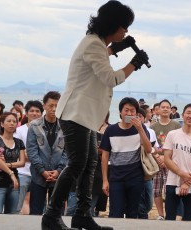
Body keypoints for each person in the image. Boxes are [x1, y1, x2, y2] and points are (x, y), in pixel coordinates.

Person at [42, 1, 149, 229]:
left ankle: (81, 214)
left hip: (85, 116)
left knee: (89, 163)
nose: (126, 32)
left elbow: (100, 57)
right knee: (77, 163)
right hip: (75, 114)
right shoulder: (92, 44)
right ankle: (51, 216)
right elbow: (110, 78)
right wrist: (134, 63)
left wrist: (115, 49)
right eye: (124, 27)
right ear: (113, 25)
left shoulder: (97, 44)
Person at [100, 97, 152, 218]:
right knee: (115, 213)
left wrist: (140, 129)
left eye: (132, 111)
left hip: (136, 177)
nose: (129, 113)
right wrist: (105, 180)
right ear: (120, 112)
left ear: (136, 113)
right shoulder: (111, 130)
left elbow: (149, 149)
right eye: (126, 110)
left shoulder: (141, 128)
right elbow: (105, 156)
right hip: (116, 178)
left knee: (133, 213)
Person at [163, 103, 191, 221]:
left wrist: (187, 183)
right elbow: (167, 159)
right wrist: (181, 174)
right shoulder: (173, 134)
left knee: (189, 220)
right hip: (173, 181)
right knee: (170, 218)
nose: (190, 116)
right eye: (188, 113)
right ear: (182, 115)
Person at [27, 92, 67, 215]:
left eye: (57, 105)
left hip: (58, 176)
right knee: (36, 212)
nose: (54, 109)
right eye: (51, 105)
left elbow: (68, 151)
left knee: (56, 212)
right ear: (44, 106)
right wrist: (42, 171)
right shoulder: (34, 126)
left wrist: (59, 170)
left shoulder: (65, 125)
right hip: (38, 176)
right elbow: (32, 151)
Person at [150, 99, 181, 220]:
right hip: (156, 161)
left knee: (170, 190)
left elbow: (178, 145)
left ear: (171, 110)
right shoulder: (153, 127)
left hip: (171, 162)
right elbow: (150, 146)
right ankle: (160, 214)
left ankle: (170, 213)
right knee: (157, 189)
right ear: (158, 110)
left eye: (168, 107)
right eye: (163, 107)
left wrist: (166, 158)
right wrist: (158, 157)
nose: (165, 109)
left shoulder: (176, 126)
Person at [14, 100, 44, 214]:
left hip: (40, 173)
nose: (35, 113)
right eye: (31, 111)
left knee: (37, 206)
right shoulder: (20, 130)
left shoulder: (44, 130)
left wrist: (28, 155)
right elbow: (18, 152)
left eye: (37, 111)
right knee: (19, 204)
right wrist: (37, 156)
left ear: (41, 113)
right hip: (23, 172)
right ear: (26, 113)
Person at [0, 112, 26, 213]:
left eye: (14, 121)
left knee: (12, 214)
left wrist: (6, 165)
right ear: (2, 124)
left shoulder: (19, 142)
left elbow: (22, 162)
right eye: (8, 121)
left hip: (14, 184)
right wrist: (11, 172)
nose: (12, 123)